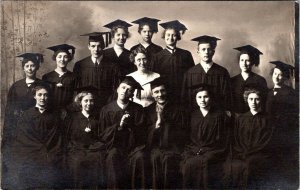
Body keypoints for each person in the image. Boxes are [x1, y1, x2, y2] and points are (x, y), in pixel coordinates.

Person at [2, 53, 44, 189]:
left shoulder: (42, 86)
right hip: (20, 128)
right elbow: (9, 111)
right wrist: (7, 133)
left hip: (37, 127)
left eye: (32, 66)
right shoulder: (16, 86)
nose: (30, 68)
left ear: (37, 67)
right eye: (27, 66)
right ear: (23, 68)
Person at [12, 82, 63, 189]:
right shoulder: (27, 115)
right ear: (35, 96)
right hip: (31, 152)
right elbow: (23, 137)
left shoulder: (54, 116)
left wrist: (49, 151)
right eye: (40, 95)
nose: (42, 98)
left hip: (50, 152)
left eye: (45, 95)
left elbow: (56, 137)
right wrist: (38, 149)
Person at [99, 76, 146, 188]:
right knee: (112, 157)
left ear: (132, 94)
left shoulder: (138, 109)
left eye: (128, 89)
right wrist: (119, 126)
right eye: (123, 87)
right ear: (118, 89)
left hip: (133, 147)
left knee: (140, 156)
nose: (124, 91)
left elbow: (142, 133)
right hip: (114, 146)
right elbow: (103, 134)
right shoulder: (106, 109)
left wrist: (129, 126)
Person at [223, 84, 273, 189]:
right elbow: (236, 139)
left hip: (259, 154)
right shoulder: (241, 119)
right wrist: (242, 152)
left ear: (261, 100)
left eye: (257, 99)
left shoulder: (267, 120)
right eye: (251, 99)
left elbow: (266, 141)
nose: (253, 102)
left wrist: (250, 152)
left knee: (249, 165)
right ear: (247, 100)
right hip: (241, 152)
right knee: (231, 166)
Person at [181, 84, 230, 189]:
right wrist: (195, 150)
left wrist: (208, 151)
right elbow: (189, 139)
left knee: (204, 162)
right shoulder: (192, 115)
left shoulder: (220, 116)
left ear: (211, 98)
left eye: (205, 97)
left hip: (214, 151)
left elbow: (223, 140)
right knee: (189, 163)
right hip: (194, 149)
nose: (202, 100)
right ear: (195, 99)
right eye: (199, 97)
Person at [144, 77, 189, 188]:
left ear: (166, 91)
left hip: (174, 147)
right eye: (156, 92)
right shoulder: (148, 110)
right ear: (152, 95)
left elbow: (184, 132)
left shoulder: (178, 109)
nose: (160, 94)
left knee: (168, 158)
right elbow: (145, 134)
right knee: (155, 157)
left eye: (162, 91)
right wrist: (156, 126)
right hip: (156, 147)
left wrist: (168, 124)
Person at [64, 86, 106, 188]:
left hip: (94, 149)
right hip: (76, 148)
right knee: (77, 162)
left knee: (97, 160)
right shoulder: (72, 118)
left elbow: (101, 136)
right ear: (80, 102)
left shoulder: (97, 118)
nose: (88, 103)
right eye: (86, 101)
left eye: (91, 101)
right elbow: (67, 136)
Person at [265, 61, 298, 189]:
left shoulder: (290, 93)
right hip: (269, 132)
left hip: (283, 132)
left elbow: (293, 115)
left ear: (284, 77)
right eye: (275, 74)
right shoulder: (268, 92)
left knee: (283, 162)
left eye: (280, 75)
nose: (277, 77)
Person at [181, 35, 231, 112]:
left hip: (217, 115)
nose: (206, 52)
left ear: (213, 52)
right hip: (195, 116)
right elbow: (185, 98)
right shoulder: (190, 73)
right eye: (203, 49)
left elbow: (227, 97)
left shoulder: (222, 72)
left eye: (209, 49)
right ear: (198, 52)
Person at [73, 32, 120, 111]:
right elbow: (76, 88)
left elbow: (116, 88)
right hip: (86, 107)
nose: (96, 49)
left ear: (103, 46)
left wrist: (109, 105)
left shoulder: (113, 66)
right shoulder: (80, 65)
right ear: (89, 47)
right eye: (93, 46)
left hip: (106, 106)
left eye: (99, 46)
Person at [151, 20, 195, 102]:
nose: (170, 38)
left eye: (174, 35)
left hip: (183, 95)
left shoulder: (186, 55)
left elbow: (192, 77)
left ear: (178, 37)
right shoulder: (157, 57)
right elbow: (154, 79)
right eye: (168, 35)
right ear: (164, 36)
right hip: (164, 96)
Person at [231, 45, 268, 114]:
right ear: (239, 62)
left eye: (247, 60)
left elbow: (264, 103)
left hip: (254, 118)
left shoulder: (260, 80)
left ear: (253, 62)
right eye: (242, 60)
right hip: (235, 119)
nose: (244, 64)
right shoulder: (232, 81)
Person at [42, 44, 76, 111]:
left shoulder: (73, 77)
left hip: (68, 112)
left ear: (69, 58)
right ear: (55, 58)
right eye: (59, 57)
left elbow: (75, 98)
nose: (62, 60)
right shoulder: (47, 77)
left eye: (65, 57)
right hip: (50, 111)